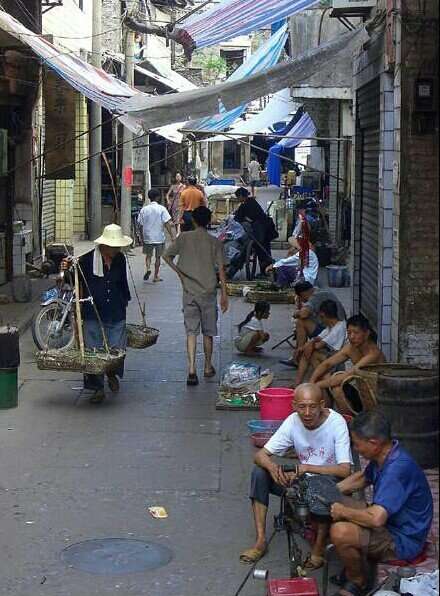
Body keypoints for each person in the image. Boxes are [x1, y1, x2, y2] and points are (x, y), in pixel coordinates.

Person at [240, 383, 352, 566]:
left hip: (329, 480)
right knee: (259, 473)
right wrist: (272, 468)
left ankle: (318, 549)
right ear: (293, 406)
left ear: (322, 405)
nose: (307, 413)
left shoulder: (336, 423)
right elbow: (260, 455)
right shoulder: (293, 421)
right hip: (302, 477)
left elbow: (344, 469)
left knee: (322, 486)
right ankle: (260, 541)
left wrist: (308, 468)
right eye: (302, 407)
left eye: (312, 406)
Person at [330, 410, 433, 596]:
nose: (356, 448)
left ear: (373, 443)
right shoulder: (386, 454)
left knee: (340, 531)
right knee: (333, 503)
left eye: (357, 444)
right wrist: (330, 491)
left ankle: (358, 581)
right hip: (391, 522)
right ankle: (355, 562)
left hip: (403, 539)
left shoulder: (397, 469)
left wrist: (343, 512)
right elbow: (363, 477)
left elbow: (376, 519)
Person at [164, 206, 229, 386]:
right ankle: (207, 366)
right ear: (209, 221)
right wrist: (224, 294)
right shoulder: (214, 242)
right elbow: (222, 271)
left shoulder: (183, 238)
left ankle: (191, 369)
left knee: (191, 332)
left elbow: (166, 256)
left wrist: (180, 273)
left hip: (189, 292)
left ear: (193, 220)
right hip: (208, 292)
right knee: (208, 333)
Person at [67, 224, 132, 404]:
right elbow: (74, 281)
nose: (117, 249)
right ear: (104, 246)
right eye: (115, 246)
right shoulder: (86, 261)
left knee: (116, 349)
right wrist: (67, 268)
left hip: (116, 309)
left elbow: (122, 283)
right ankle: (97, 388)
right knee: (92, 351)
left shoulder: (120, 259)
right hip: (92, 312)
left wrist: (125, 300)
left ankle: (111, 374)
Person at [310, 315, 386, 414]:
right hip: (360, 390)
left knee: (336, 389)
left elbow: (347, 376)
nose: (351, 337)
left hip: (375, 398)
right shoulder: (350, 347)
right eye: (349, 333)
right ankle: (325, 415)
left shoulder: (373, 354)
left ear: (366, 334)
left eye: (356, 333)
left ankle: (349, 422)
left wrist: (316, 385)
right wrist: (311, 382)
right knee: (324, 377)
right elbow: (327, 364)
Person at [279, 281, 346, 368]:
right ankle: (299, 354)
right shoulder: (322, 291)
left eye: (300, 297)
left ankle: (297, 356)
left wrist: (296, 312)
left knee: (301, 322)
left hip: (334, 330)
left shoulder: (315, 296)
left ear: (303, 293)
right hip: (335, 327)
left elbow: (304, 314)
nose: (303, 300)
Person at [293, 300, 347, 387]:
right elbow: (317, 338)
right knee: (308, 351)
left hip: (340, 361)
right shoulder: (331, 326)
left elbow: (318, 345)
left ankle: (321, 380)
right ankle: (300, 383)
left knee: (312, 354)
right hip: (332, 355)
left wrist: (305, 347)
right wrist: (304, 346)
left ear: (323, 315)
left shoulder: (338, 328)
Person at [137, 189, 176, 283]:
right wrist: (172, 236)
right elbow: (167, 223)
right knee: (158, 257)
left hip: (147, 237)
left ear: (149, 198)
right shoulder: (162, 209)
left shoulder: (144, 209)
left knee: (148, 256)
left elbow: (140, 225)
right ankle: (155, 276)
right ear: (158, 197)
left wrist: (142, 237)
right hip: (159, 237)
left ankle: (147, 269)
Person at [234, 187, 273, 276]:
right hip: (262, 229)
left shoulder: (249, 204)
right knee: (263, 251)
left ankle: (267, 272)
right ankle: (265, 271)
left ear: (241, 196)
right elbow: (239, 215)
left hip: (262, 230)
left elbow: (240, 217)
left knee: (262, 251)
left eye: (238, 197)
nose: (237, 199)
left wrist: (243, 219)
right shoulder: (249, 202)